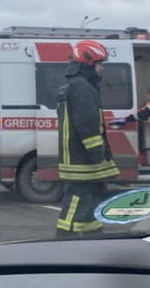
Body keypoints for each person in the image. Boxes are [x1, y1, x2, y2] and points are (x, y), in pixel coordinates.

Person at [56, 40, 120, 238]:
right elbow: (87, 123)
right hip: (81, 160)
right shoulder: (83, 88)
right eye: (100, 63)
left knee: (89, 201)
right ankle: (64, 238)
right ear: (89, 63)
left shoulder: (72, 85)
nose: (102, 68)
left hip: (75, 157)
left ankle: (92, 237)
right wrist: (96, 153)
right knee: (79, 199)